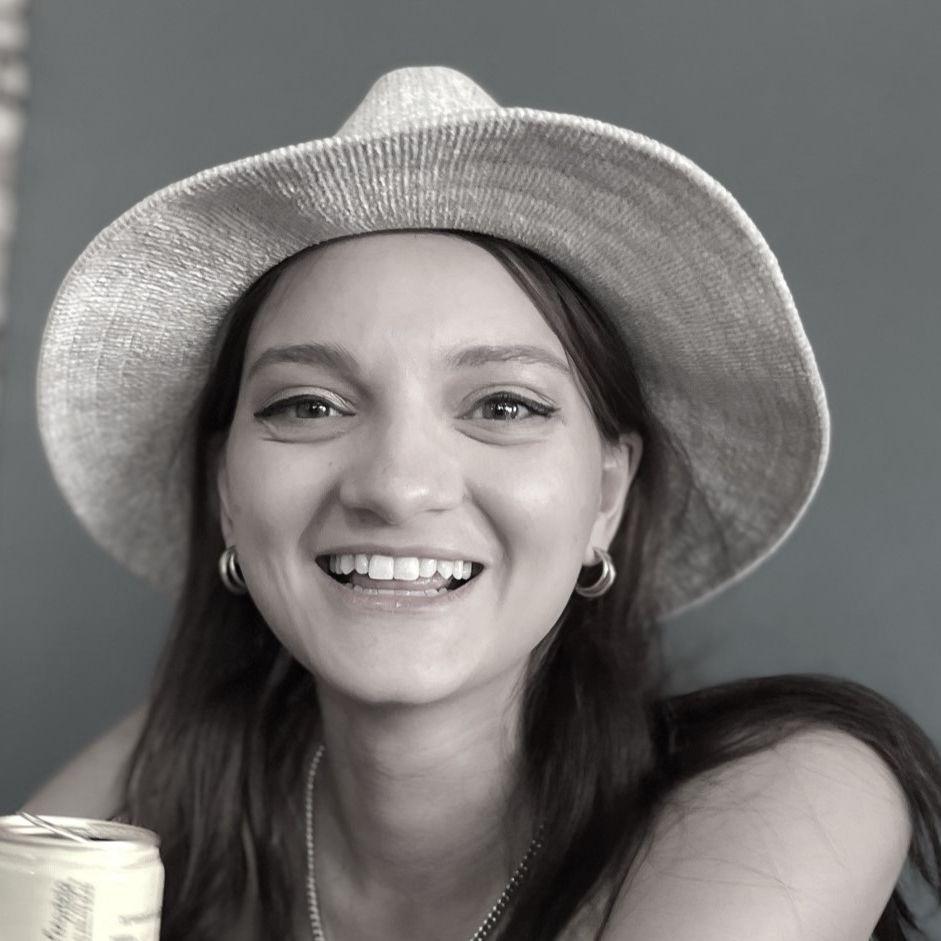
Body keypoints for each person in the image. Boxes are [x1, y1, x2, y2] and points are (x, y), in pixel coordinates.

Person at [23, 65, 941, 940]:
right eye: (308, 405)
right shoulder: (175, 812)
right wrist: (204, 712)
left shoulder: (796, 791)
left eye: (503, 406)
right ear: (228, 491)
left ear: (606, 496)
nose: (396, 485)